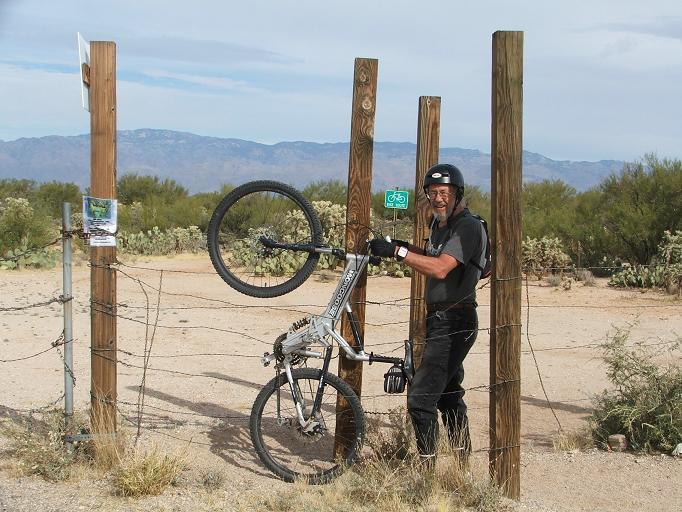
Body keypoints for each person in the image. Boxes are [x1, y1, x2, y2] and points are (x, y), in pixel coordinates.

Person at [369, 163, 487, 464]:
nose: (438, 199)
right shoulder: (440, 226)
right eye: (433, 193)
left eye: (444, 193)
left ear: (457, 194)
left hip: (455, 320)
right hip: (439, 319)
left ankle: (426, 474)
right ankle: (462, 465)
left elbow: (441, 267)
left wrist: (399, 254)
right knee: (449, 396)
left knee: (421, 400)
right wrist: (397, 246)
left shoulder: (468, 226)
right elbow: (430, 255)